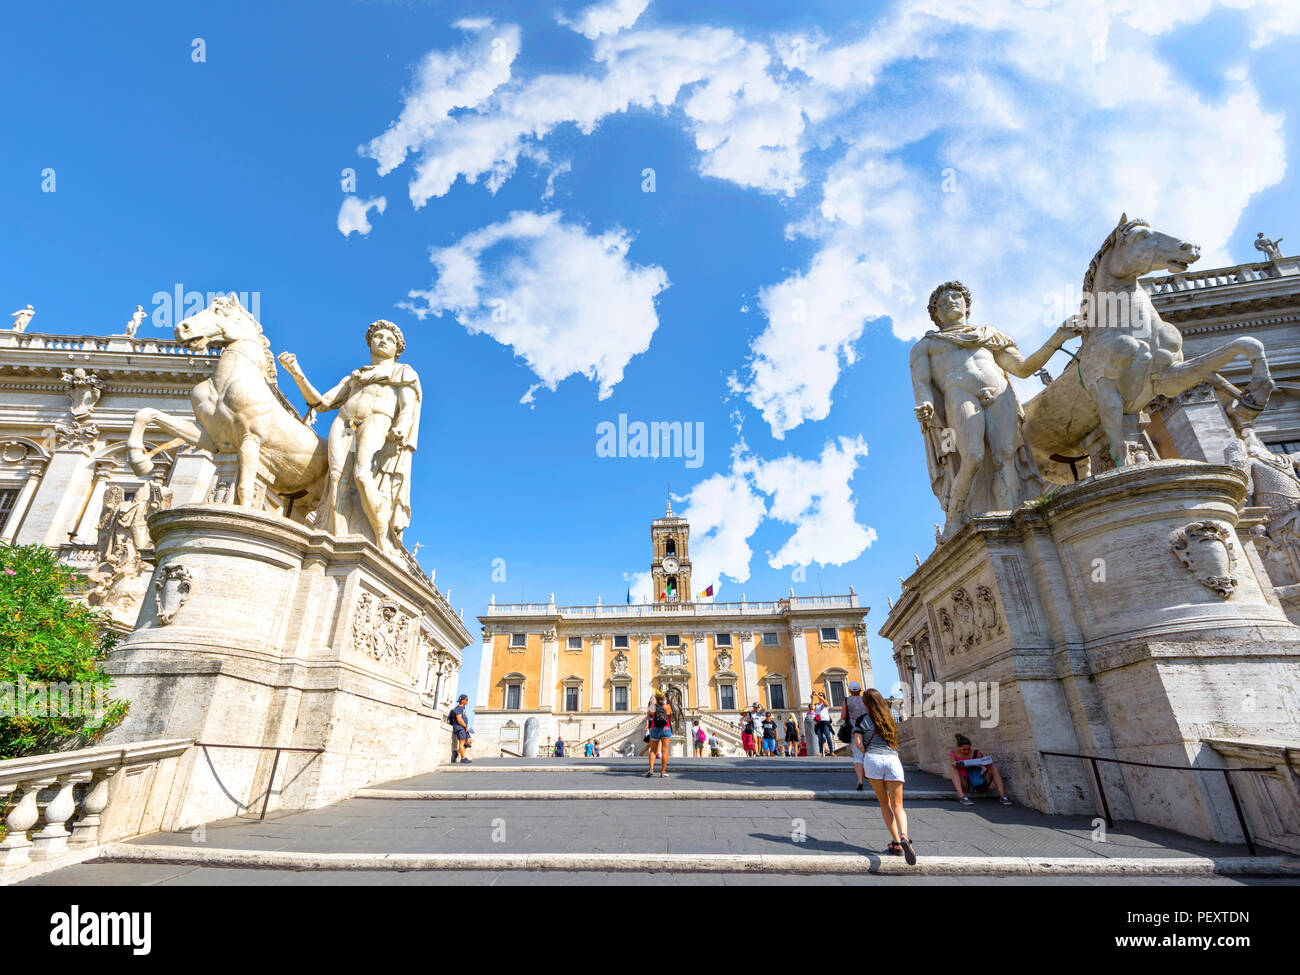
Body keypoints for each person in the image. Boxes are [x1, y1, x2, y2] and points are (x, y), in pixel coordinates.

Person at [279, 320, 421, 555]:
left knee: (362, 475)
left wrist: (401, 427)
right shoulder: (354, 377)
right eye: (378, 336)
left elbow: (407, 407)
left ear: (397, 349)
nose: (383, 340)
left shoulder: (402, 372)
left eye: (390, 339)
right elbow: (321, 403)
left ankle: (381, 537)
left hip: (377, 420)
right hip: (344, 422)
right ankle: (337, 540)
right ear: (369, 343)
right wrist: (297, 374)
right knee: (335, 480)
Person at [854, 687, 915, 864]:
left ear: (866, 703)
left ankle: (896, 842)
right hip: (892, 759)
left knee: (884, 803)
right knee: (898, 805)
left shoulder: (862, 719)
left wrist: (867, 753)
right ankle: (904, 836)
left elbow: (858, 743)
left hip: (873, 759)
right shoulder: (891, 717)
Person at [949, 734, 1012, 805]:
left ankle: (1003, 796)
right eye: (964, 749)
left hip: (980, 785)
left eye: (968, 749)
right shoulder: (953, 753)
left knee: (992, 766)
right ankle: (962, 796)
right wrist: (957, 764)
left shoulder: (977, 753)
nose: (967, 751)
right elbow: (953, 764)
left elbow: (987, 764)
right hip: (965, 786)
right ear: (958, 748)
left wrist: (982, 760)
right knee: (954, 768)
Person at [646, 689, 673, 777]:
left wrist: (653, 703)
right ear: (663, 698)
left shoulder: (653, 706)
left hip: (655, 728)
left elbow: (650, 713)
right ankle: (663, 772)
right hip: (666, 728)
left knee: (653, 750)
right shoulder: (667, 706)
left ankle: (651, 769)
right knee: (664, 751)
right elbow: (670, 714)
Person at [449, 694, 471, 764]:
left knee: (469, 741)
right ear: (462, 700)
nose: (467, 701)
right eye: (466, 700)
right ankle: (463, 758)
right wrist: (465, 726)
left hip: (464, 728)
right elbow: (459, 719)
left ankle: (456, 752)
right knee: (462, 742)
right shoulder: (458, 708)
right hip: (460, 727)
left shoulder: (463, 707)